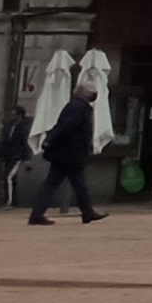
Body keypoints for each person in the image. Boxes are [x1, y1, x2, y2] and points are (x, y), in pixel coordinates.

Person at [28, 71, 99, 228]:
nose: (94, 94)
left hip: (65, 152)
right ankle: (87, 212)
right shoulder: (79, 107)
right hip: (71, 152)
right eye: (92, 91)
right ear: (84, 92)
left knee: (53, 183)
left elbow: (63, 127)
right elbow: (66, 127)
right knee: (78, 184)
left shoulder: (74, 105)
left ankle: (37, 215)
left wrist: (51, 141)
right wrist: (51, 140)